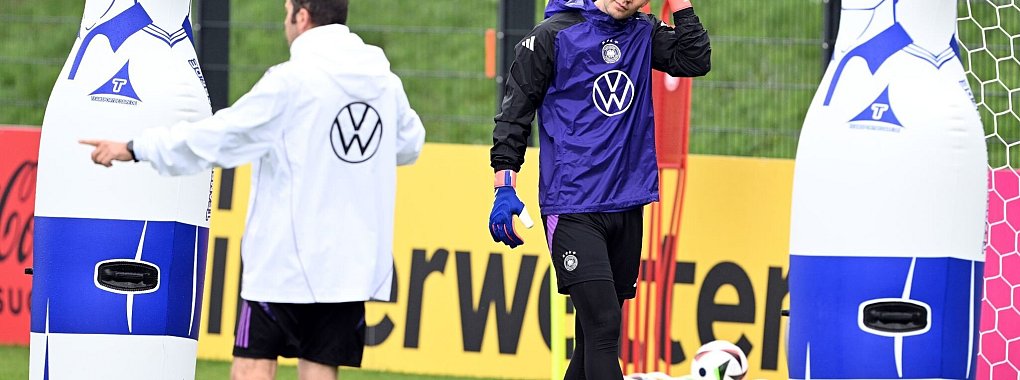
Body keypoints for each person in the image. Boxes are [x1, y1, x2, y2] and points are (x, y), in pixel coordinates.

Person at [82, 0, 426, 378]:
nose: (286, 22)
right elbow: (408, 144)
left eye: (286, 12)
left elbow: (219, 136)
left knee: (251, 367)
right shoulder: (382, 81)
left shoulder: (292, 80)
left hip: (285, 261)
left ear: (302, 15)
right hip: (348, 263)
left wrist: (135, 147)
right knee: (320, 369)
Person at [487, 0, 710, 378]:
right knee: (605, 325)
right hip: (572, 206)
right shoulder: (551, 36)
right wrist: (504, 186)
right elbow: (514, 114)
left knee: (592, 341)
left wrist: (682, 5)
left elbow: (694, 59)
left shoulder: (642, 32)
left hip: (627, 204)